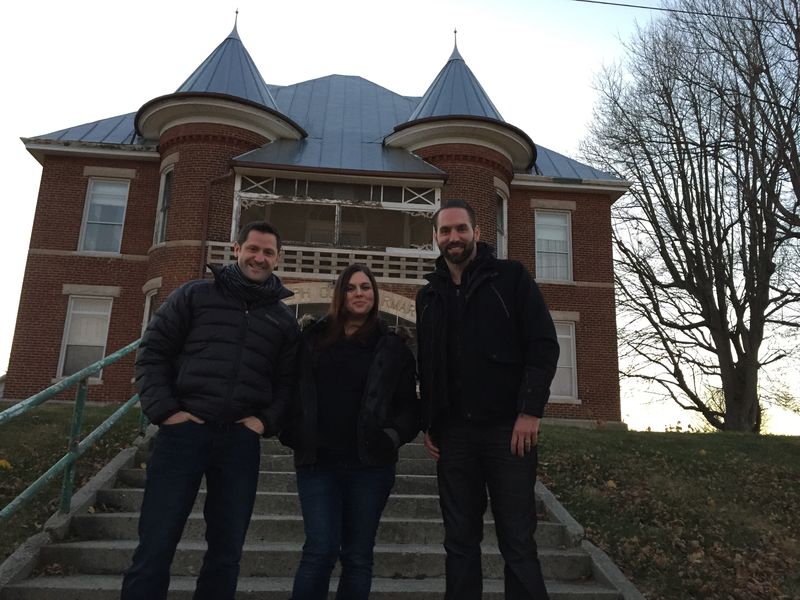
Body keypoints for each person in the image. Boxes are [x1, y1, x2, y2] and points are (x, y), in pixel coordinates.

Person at [120, 221, 299, 600]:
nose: (259, 257)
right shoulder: (194, 295)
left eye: (268, 252)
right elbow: (153, 354)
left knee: (227, 551)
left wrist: (262, 422)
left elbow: (288, 384)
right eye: (253, 249)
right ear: (236, 249)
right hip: (183, 433)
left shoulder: (283, 319)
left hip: (239, 440)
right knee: (156, 544)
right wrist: (167, 412)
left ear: (278, 258)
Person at [415, 199, 560, 600]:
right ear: (436, 238)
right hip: (455, 436)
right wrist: (431, 421)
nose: (453, 237)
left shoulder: (510, 278)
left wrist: (530, 411)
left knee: (517, 541)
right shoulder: (428, 296)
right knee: (459, 542)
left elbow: (544, 346)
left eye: (460, 229)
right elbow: (427, 364)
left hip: (508, 432)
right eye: (445, 231)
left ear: (477, 232)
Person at [279, 263, 420, 600]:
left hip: (370, 467)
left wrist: (392, 436)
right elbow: (288, 390)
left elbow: (411, 408)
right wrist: (291, 431)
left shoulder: (393, 345)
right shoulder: (311, 338)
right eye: (351, 288)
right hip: (318, 466)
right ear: (340, 294)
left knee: (358, 557)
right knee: (320, 550)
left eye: (366, 287)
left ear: (374, 294)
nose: (359, 294)